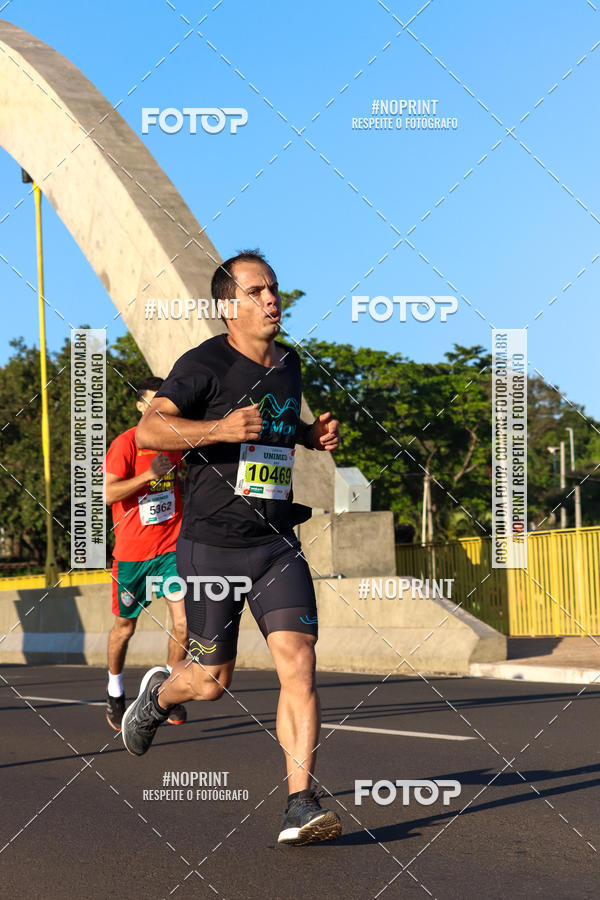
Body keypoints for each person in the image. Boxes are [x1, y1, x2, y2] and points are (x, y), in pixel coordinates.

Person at [121, 251, 342, 845]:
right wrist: (217, 429)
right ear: (228, 306)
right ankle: (159, 695)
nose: (272, 300)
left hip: (275, 544)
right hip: (211, 548)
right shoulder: (203, 365)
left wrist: (307, 436)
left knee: (298, 661)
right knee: (212, 682)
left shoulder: (288, 362)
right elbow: (149, 431)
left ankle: (300, 803)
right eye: (257, 291)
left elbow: (273, 425)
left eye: (275, 288)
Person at [104, 376, 188, 731]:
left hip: (171, 548)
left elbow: (183, 482)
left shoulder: (175, 444)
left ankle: (169, 691)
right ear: (140, 406)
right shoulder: (125, 444)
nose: (161, 409)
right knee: (125, 628)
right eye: (154, 403)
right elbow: (108, 494)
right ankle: (114, 688)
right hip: (133, 555)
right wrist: (147, 477)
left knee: (184, 625)